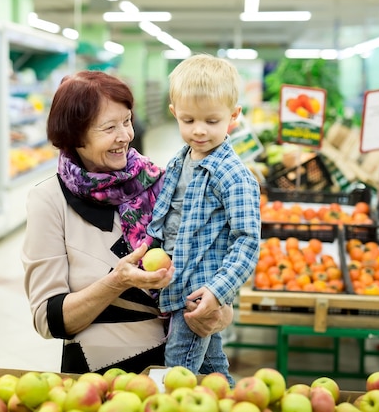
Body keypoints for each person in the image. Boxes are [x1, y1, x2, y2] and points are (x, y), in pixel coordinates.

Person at [21, 70, 235, 374]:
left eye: (127, 121)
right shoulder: (50, 200)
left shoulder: (163, 182)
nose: (125, 136)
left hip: (181, 368)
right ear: (75, 136)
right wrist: (116, 282)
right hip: (103, 375)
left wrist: (220, 311)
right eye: (109, 127)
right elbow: (47, 319)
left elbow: (211, 271)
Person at [146, 54, 261, 384]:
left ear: (233, 116)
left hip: (200, 292)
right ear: (174, 114)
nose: (199, 131)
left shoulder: (235, 176)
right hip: (177, 284)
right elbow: (168, 217)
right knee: (213, 371)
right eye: (188, 120)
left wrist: (217, 291)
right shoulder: (179, 161)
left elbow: (247, 243)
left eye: (212, 121)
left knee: (177, 373)